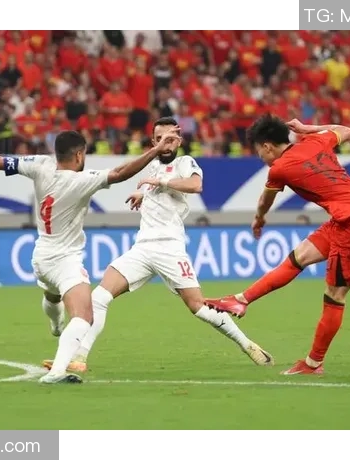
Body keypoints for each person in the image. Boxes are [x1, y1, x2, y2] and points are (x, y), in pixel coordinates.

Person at [0, 129, 178, 384]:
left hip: (41, 256)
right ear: (79, 155)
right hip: (64, 261)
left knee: (53, 296)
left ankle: (55, 325)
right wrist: (155, 150)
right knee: (84, 317)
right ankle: (56, 372)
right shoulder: (82, 180)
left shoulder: (39, 164)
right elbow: (121, 173)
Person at [42, 117, 274, 374]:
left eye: (171, 138)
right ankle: (79, 357)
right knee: (99, 297)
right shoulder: (152, 166)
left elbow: (195, 185)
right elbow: (158, 189)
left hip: (170, 248)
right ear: (153, 142)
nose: (166, 143)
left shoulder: (185, 163)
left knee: (198, 306)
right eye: (160, 139)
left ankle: (247, 344)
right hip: (142, 248)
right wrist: (143, 194)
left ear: (179, 140)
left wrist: (160, 183)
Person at [205, 115, 350, 376]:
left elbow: (265, 200)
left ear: (267, 146)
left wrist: (259, 219)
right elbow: (347, 130)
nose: (260, 157)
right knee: (299, 257)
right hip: (344, 220)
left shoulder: (280, 168)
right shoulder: (316, 141)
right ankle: (241, 300)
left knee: (335, 295)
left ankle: (313, 364)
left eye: (259, 151)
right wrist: (310, 129)